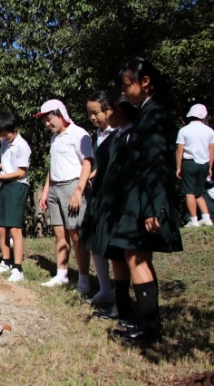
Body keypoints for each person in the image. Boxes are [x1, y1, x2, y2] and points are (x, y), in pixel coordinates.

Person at [109, 58, 182, 341]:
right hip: (137, 197)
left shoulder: (155, 113)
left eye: (127, 86)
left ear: (146, 82)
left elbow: (156, 163)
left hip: (146, 199)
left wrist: (154, 207)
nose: (124, 93)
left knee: (136, 256)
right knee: (135, 256)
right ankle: (146, 323)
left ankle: (149, 329)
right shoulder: (146, 112)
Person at [85, 92, 139, 326]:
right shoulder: (107, 136)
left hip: (122, 203)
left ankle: (131, 308)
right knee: (110, 251)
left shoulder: (128, 135)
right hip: (104, 199)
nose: (94, 117)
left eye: (97, 112)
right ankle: (118, 301)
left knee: (128, 256)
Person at [36, 99, 93, 294]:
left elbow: (87, 162)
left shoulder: (78, 134)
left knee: (76, 235)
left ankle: (84, 281)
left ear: (60, 114)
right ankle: (62, 274)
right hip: (55, 189)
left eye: (49, 119)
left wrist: (79, 190)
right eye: (44, 121)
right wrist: (46, 191)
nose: (47, 124)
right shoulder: (55, 138)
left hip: (72, 186)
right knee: (60, 234)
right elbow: (52, 167)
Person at [0, 113, 31, 282]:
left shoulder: (22, 146)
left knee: (14, 228)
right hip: (6, 184)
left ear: (14, 129)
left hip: (17, 186)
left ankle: (18, 268)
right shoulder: (5, 143)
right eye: (0, 134)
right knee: (2, 227)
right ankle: (5, 261)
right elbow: (8, 165)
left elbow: (20, 172)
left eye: (5, 133)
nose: (2, 137)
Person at [82, 91, 116, 306]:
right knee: (94, 239)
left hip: (113, 194)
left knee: (113, 245)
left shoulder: (119, 132)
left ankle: (118, 294)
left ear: (108, 110)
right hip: (98, 192)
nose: (93, 117)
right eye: (90, 114)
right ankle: (105, 288)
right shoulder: (96, 135)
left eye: (96, 113)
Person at [176, 103, 214, 227]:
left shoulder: (184, 130)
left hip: (190, 163)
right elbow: (211, 151)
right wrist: (210, 167)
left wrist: (178, 167)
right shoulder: (209, 131)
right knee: (199, 192)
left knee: (189, 192)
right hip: (204, 163)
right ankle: (206, 218)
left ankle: (193, 220)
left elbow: (179, 150)